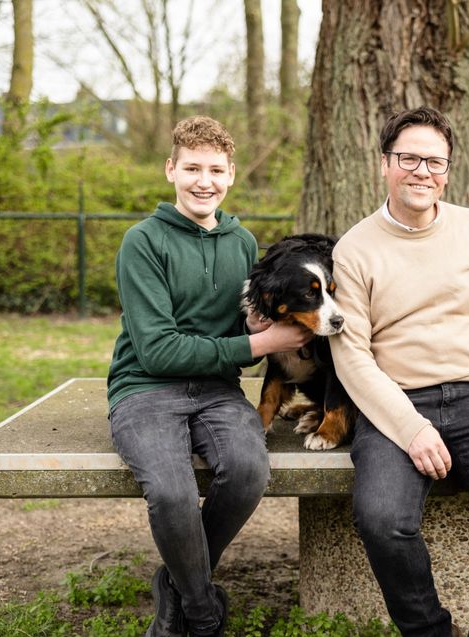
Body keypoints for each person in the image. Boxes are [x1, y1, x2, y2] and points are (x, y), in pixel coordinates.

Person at [329, 106, 469, 637]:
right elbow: (352, 356)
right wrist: (411, 428)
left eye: (434, 161)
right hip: (395, 405)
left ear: (447, 171)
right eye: (408, 158)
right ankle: (429, 631)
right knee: (383, 520)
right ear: (385, 164)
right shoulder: (355, 249)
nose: (421, 171)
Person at [106, 115, 312, 637]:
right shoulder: (142, 242)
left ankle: (175, 585)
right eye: (192, 168)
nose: (205, 181)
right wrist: (260, 343)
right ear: (170, 169)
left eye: (216, 170)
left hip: (218, 391)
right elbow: (156, 351)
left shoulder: (243, 242)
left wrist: (252, 325)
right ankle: (200, 611)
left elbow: (238, 341)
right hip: (146, 389)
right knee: (172, 493)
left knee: (247, 471)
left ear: (231, 175)